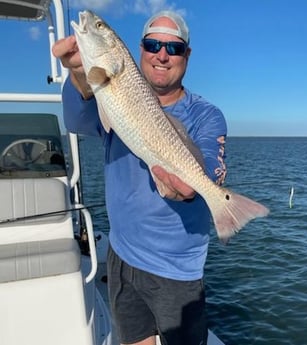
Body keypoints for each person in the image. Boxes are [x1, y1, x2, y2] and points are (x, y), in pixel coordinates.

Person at [53, 10, 227, 345]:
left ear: (186, 55)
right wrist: (78, 74)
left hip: (175, 271)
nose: (162, 54)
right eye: (152, 44)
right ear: (139, 50)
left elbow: (209, 170)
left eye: (173, 48)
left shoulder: (206, 115)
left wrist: (193, 189)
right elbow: (77, 119)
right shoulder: (111, 94)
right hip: (120, 254)